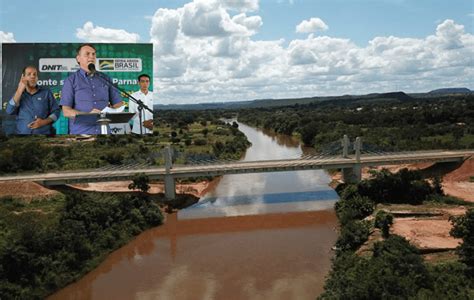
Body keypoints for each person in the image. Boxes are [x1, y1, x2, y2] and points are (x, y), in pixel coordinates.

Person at [60, 43, 123, 134]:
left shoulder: (106, 78)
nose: (91, 57)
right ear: (78, 58)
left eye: (93, 54)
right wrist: (88, 116)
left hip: (105, 131)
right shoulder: (70, 81)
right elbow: (66, 111)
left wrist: (109, 112)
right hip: (81, 133)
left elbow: (118, 104)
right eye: (87, 54)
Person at [6, 65, 60, 134]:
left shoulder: (46, 92)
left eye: (35, 74)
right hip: (22, 137)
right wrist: (19, 90)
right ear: (23, 77)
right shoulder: (18, 94)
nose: (32, 76)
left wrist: (43, 122)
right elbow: (9, 111)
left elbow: (56, 111)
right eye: (29, 74)